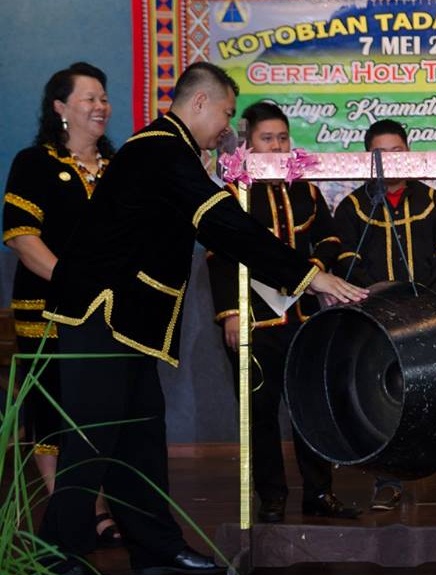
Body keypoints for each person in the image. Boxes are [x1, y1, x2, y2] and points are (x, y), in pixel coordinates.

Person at [37, 62, 367, 575]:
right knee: (92, 439)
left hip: (128, 323)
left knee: (141, 441)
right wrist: (309, 277)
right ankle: (56, 554)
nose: (227, 127)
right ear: (199, 103)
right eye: (227, 113)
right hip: (101, 315)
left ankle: (156, 549)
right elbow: (223, 223)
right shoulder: (160, 150)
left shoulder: (168, 150)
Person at [206, 101, 360, 522]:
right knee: (259, 413)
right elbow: (219, 257)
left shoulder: (304, 189)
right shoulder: (232, 193)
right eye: (267, 138)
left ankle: (320, 493)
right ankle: (272, 497)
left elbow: (331, 240)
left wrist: (314, 272)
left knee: (311, 407)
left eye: (282, 138)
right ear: (248, 143)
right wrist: (230, 314)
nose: (276, 146)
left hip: (304, 320)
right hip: (255, 321)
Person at [333, 119, 436, 511]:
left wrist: (422, 308)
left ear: (410, 152)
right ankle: (388, 481)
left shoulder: (435, 201)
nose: (390, 160)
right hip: (378, 323)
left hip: (431, 318)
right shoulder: (351, 207)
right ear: (368, 159)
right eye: (380, 154)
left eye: (397, 151)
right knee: (386, 402)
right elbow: (348, 263)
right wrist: (384, 307)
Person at [2, 62, 123, 548]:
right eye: (89, 98)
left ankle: (95, 504)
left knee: (100, 411)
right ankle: (68, 513)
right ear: (60, 107)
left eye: (104, 97)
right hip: (48, 309)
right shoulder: (34, 163)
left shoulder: (119, 167)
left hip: (110, 312)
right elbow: (21, 237)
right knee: (52, 410)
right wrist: (72, 283)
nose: (101, 106)